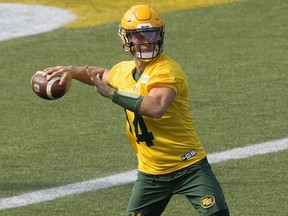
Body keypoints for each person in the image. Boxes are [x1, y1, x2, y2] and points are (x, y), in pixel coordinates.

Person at [44, 4, 230, 216]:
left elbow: (157, 107)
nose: (146, 41)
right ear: (127, 39)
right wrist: (73, 71)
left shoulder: (167, 70)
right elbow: (101, 74)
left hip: (190, 167)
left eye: (150, 34)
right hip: (150, 174)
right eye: (138, 36)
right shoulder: (124, 71)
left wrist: (112, 94)